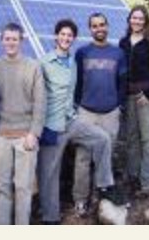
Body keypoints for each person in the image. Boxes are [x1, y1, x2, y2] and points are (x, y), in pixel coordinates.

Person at [37, 19, 122, 224]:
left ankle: (104, 184)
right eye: (62, 34)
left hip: (71, 121)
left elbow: (75, 91)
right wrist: (38, 126)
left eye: (69, 36)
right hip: (51, 125)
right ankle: (50, 217)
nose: (66, 38)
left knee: (102, 139)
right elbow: (37, 97)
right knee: (49, 172)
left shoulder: (74, 62)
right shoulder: (44, 63)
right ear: (56, 36)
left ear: (73, 39)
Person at [0, 23, 45, 225]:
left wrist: (34, 133)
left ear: (21, 41)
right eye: (7, 39)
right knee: (2, 186)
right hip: (1, 136)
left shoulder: (33, 67)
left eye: (15, 39)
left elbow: (40, 102)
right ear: (2, 40)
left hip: (25, 137)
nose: (11, 42)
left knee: (24, 187)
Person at [73, 12, 128, 215]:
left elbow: (123, 83)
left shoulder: (118, 54)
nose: (99, 28)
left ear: (107, 26)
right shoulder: (82, 53)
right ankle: (80, 199)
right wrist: (77, 105)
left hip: (110, 113)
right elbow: (76, 82)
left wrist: (119, 105)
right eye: (95, 26)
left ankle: (100, 194)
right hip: (86, 113)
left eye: (102, 25)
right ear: (90, 29)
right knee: (83, 157)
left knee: (106, 157)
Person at [120, 5, 149, 194]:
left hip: (145, 97)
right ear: (129, 20)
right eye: (133, 18)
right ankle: (133, 176)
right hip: (128, 95)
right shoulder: (123, 43)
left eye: (140, 18)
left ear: (145, 21)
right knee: (131, 138)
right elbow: (121, 72)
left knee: (148, 138)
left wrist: (148, 94)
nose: (136, 21)